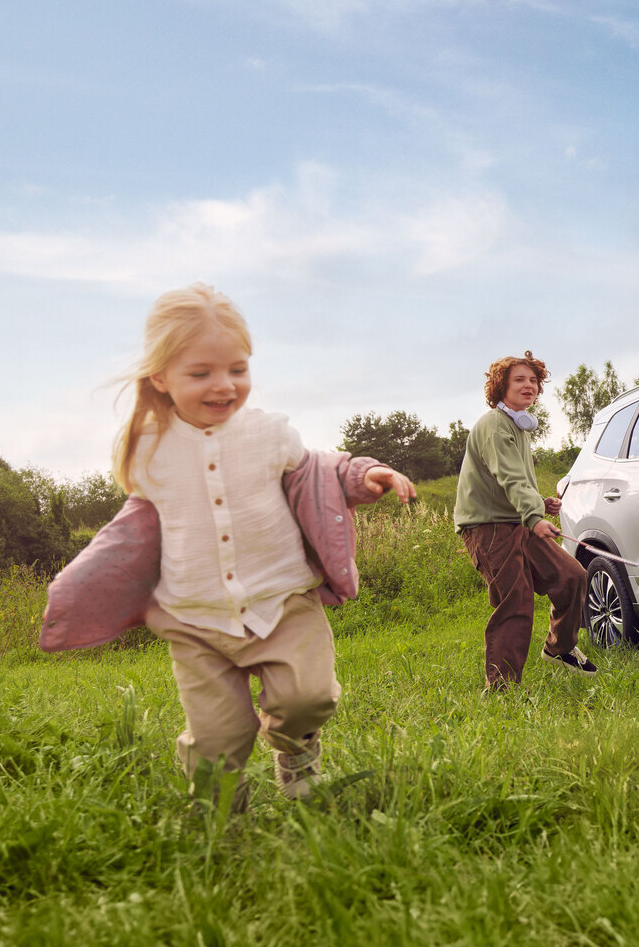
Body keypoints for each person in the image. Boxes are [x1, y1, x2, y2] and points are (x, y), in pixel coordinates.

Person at [109, 284, 415, 806]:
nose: (224, 385)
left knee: (307, 698)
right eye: (201, 373)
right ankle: (220, 812)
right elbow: (139, 529)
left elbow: (320, 471)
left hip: (284, 599)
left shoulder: (269, 434)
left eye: (237, 369)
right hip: (197, 618)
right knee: (218, 733)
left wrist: (363, 475)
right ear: (160, 376)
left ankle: (296, 753)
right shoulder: (146, 449)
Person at [454, 351, 595, 686]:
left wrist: (539, 504)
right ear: (501, 385)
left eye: (533, 380)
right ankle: (501, 689)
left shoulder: (517, 427)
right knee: (515, 600)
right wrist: (534, 516)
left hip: (517, 521)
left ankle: (559, 649)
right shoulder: (494, 425)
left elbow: (513, 482)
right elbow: (510, 477)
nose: (529, 385)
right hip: (487, 527)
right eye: (519, 379)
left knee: (571, 576)